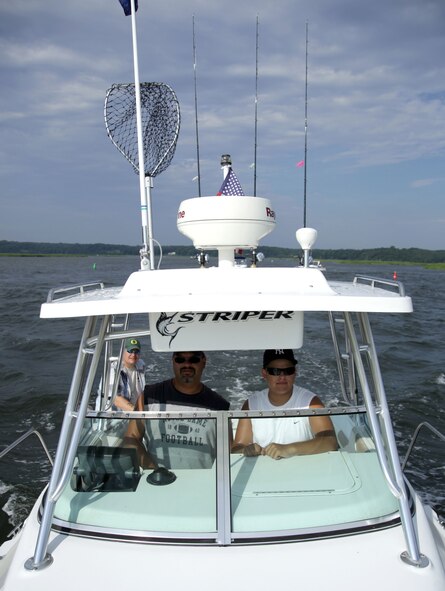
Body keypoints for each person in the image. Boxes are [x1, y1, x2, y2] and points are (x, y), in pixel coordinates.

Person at [125, 351, 229, 469]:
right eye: (180, 360)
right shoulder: (148, 396)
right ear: (173, 361)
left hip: (203, 485)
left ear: (204, 361)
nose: (187, 365)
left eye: (193, 359)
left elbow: (228, 451)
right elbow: (131, 438)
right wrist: (152, 469)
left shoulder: (220, 406)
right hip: (156, 482)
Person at [233, 349, 337, 459]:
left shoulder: (311, 402)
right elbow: (237, 448)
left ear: (295, 372)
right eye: (275, 371)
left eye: (288, 370)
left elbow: (330, 442)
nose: (282, 377)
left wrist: (289, 449)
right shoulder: (250, 405)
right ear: (264, 373)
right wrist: (247, 450)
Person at [112, 338, 145, 412]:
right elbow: (115, 399)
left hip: (132, 412)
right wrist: (137, 413)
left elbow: (140, 392)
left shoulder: (141, 365)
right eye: (130, 351)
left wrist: (142, 412)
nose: (133, 355)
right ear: (122, 352)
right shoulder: (113, 369)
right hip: (112, 416)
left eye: (136, 351)